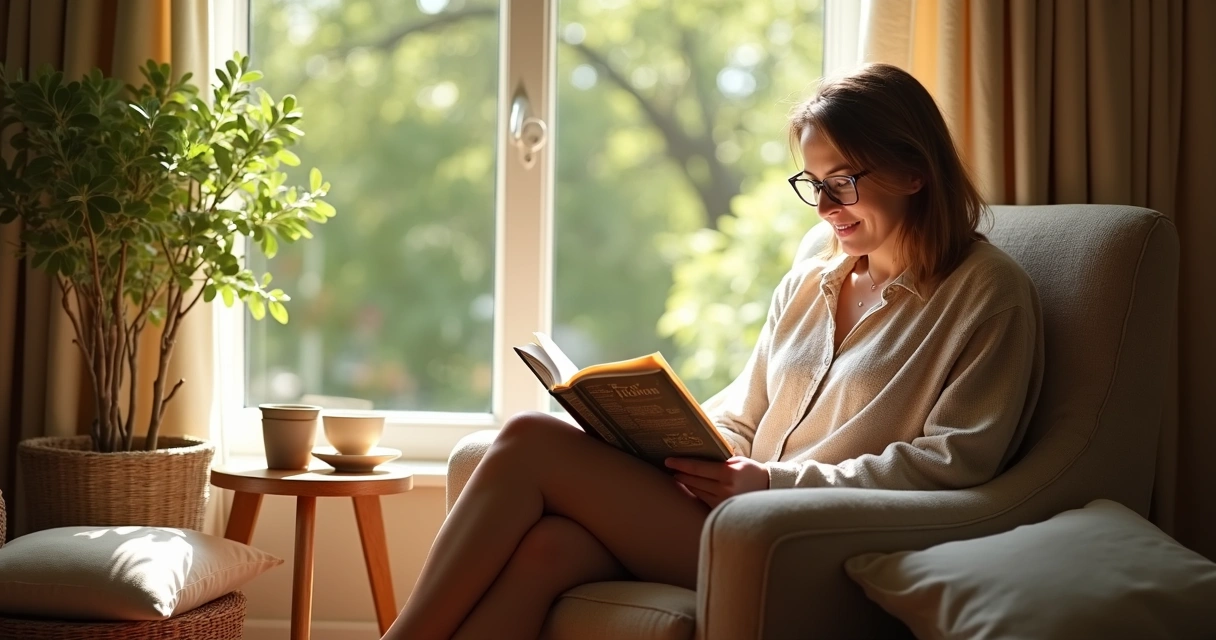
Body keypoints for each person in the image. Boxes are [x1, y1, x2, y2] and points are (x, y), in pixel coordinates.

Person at [383, 62, 1044, 640]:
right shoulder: (816, 275)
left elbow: (950, 464)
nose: (823, 208)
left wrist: (773, 483)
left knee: (529, 438)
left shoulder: (987, 295)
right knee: (548, 552)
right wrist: (668, 440)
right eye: (811, 184)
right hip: (738, 511)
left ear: (914, 170)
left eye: (840, 183)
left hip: (810, 542)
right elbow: (748, 411)